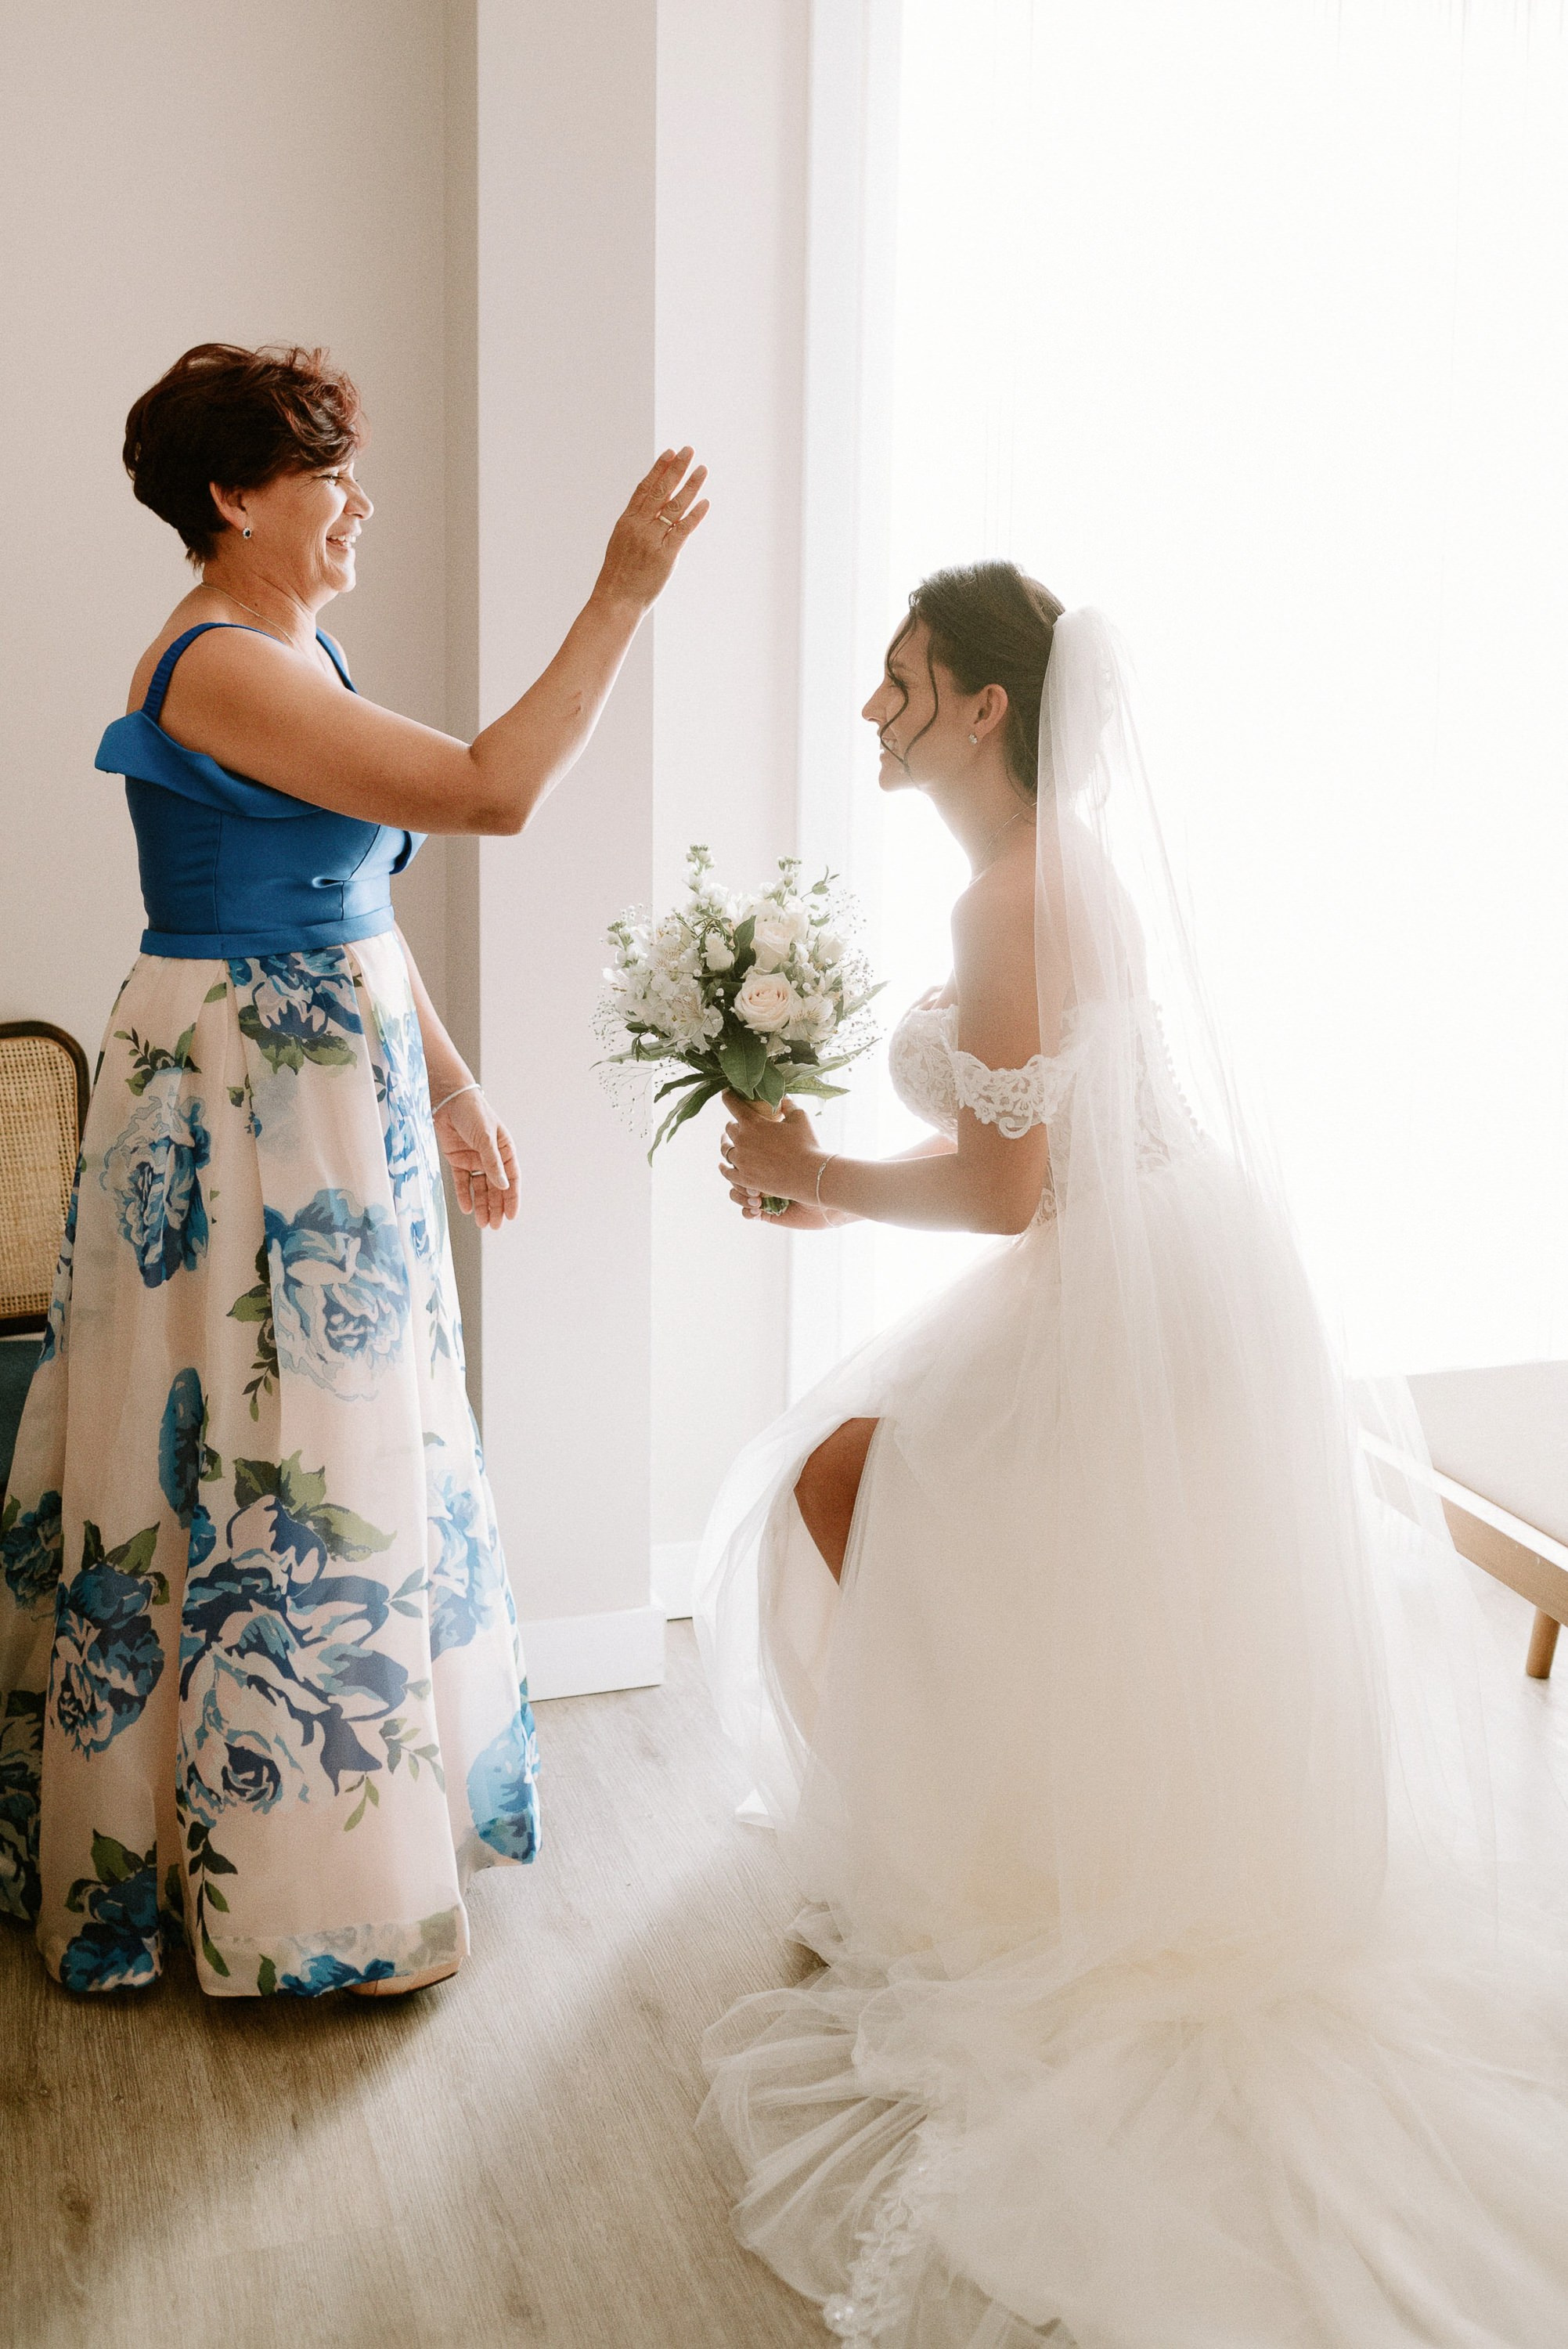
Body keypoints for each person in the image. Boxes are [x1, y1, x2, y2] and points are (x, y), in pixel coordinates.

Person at [697, 565, 1568, 2346]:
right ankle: (1005, 1844)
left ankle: (989, 1880)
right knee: (869, 1479)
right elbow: (1042, 1158)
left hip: (1126, 1279)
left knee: (860, 1476)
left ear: (984, 709)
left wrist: (815, 1176)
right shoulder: (1025, 876)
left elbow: (1017, 1185)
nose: (873, 708)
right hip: (1146, 1264)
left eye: (901, 679)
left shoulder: (1018, 893)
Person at [0, 341, 706, 2000]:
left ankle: (318, 1833)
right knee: (252, 1451)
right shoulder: (221, 667)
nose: (359, 501)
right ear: (236, 497)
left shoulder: (299, 648)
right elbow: (488, 793)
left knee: (334, 1431)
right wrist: (621, 589)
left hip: (328, 1070)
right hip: (242, 1089)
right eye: (329, 472)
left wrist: (451, 1085)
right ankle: (260, 1877)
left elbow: (362, 897)